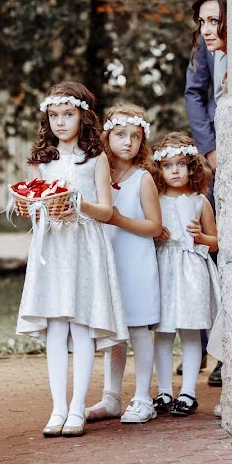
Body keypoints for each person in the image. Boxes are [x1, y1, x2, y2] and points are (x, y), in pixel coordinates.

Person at [16, 81, 129, 438]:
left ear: (83, 116)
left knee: (80, 324)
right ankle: (58, 408)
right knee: (55, 326)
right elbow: (37, 204)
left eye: (68, 114)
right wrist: (30, 206)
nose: (61, 122)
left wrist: (78, 204)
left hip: (83, 245)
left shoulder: (95, 159)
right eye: (54, 115)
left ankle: (78, 408)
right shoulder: (41, 161)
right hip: (52, 248)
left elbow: (108, 210)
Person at [85, 103, 163, 425]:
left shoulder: (143, 179)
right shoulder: (96, 173)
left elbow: (154, 227)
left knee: (138, 329)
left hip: (137, 261)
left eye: (135, 136)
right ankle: (111, 397)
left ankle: (144, 397)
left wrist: (119, 219)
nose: (128, 142)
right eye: (120, 135)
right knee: (114, 331)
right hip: (109, 260)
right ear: (107, 137)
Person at [150, 132, 221, 417]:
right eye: (168, 166)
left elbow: (216, 241)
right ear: (159, 169)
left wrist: (201, 236)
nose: (175, 171)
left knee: (191, 332)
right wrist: (156, 234)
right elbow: (148, 231)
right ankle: (165, 391)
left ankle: (189, 392)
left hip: (191, 270)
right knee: (164, 333)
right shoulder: (154, 199)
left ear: (192, 167)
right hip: (164, 269)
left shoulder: (199, 201)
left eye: (181, 164)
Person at [184, 0, 228, 386]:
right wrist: (208, 149)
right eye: (202, 22)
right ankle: (201, 346)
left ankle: (226, 353)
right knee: (208, 247)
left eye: (213, 20)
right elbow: (194, 95)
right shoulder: (203, 50)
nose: (206, 29)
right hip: (216, 158)